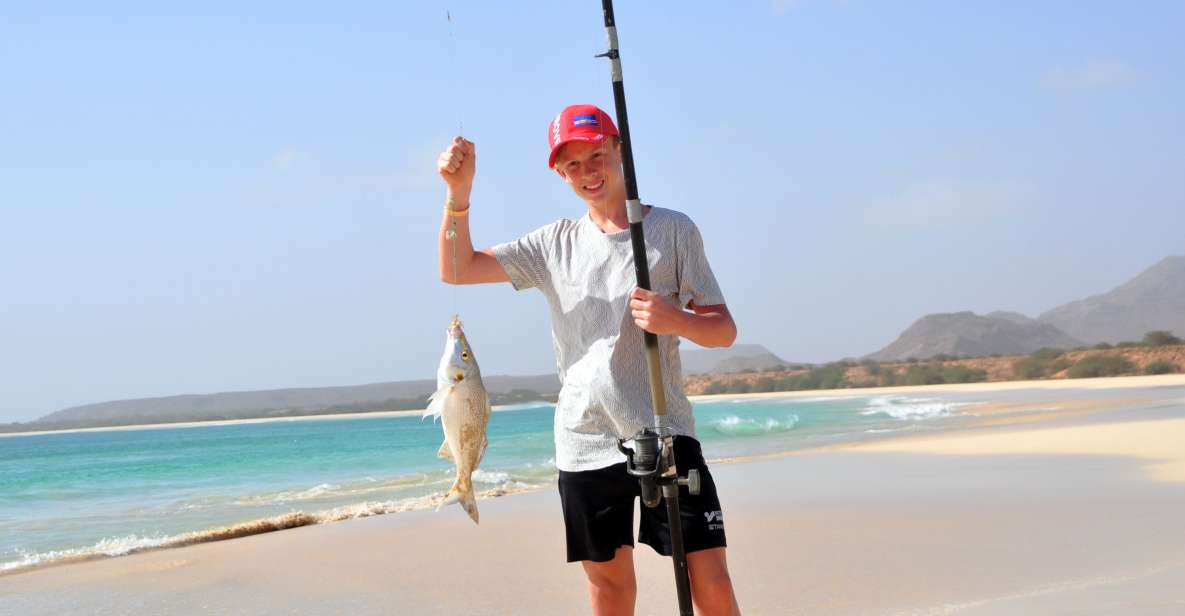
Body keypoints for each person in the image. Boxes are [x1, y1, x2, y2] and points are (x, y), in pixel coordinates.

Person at [435, 103, 741, 616]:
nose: (588, 172)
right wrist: (457, 196)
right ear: (558, 171)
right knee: (609, 590)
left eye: (597, 155)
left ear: (619, 149)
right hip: (583, 442)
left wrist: (679, 320)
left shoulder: (672, 230)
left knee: (708, 580)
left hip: (664, 432)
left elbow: (724, 331)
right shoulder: (553, 244)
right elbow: (457, 269)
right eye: (572, 164)